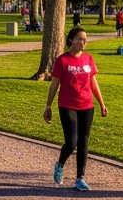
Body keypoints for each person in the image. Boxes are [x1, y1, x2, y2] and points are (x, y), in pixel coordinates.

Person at [44, 26, 109, 192]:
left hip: (87, 105)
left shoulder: (88, 58)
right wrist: (48, 106)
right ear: (71, 40)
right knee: (72, 142)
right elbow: (54, 85)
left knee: (84, 142)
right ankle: (60, 164)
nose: (84, 42)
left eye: (85, 39)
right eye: (80, 39)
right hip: (67, 105)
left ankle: (80, 178)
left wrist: (101, 103)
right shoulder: (62, 60)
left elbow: (93, 83)